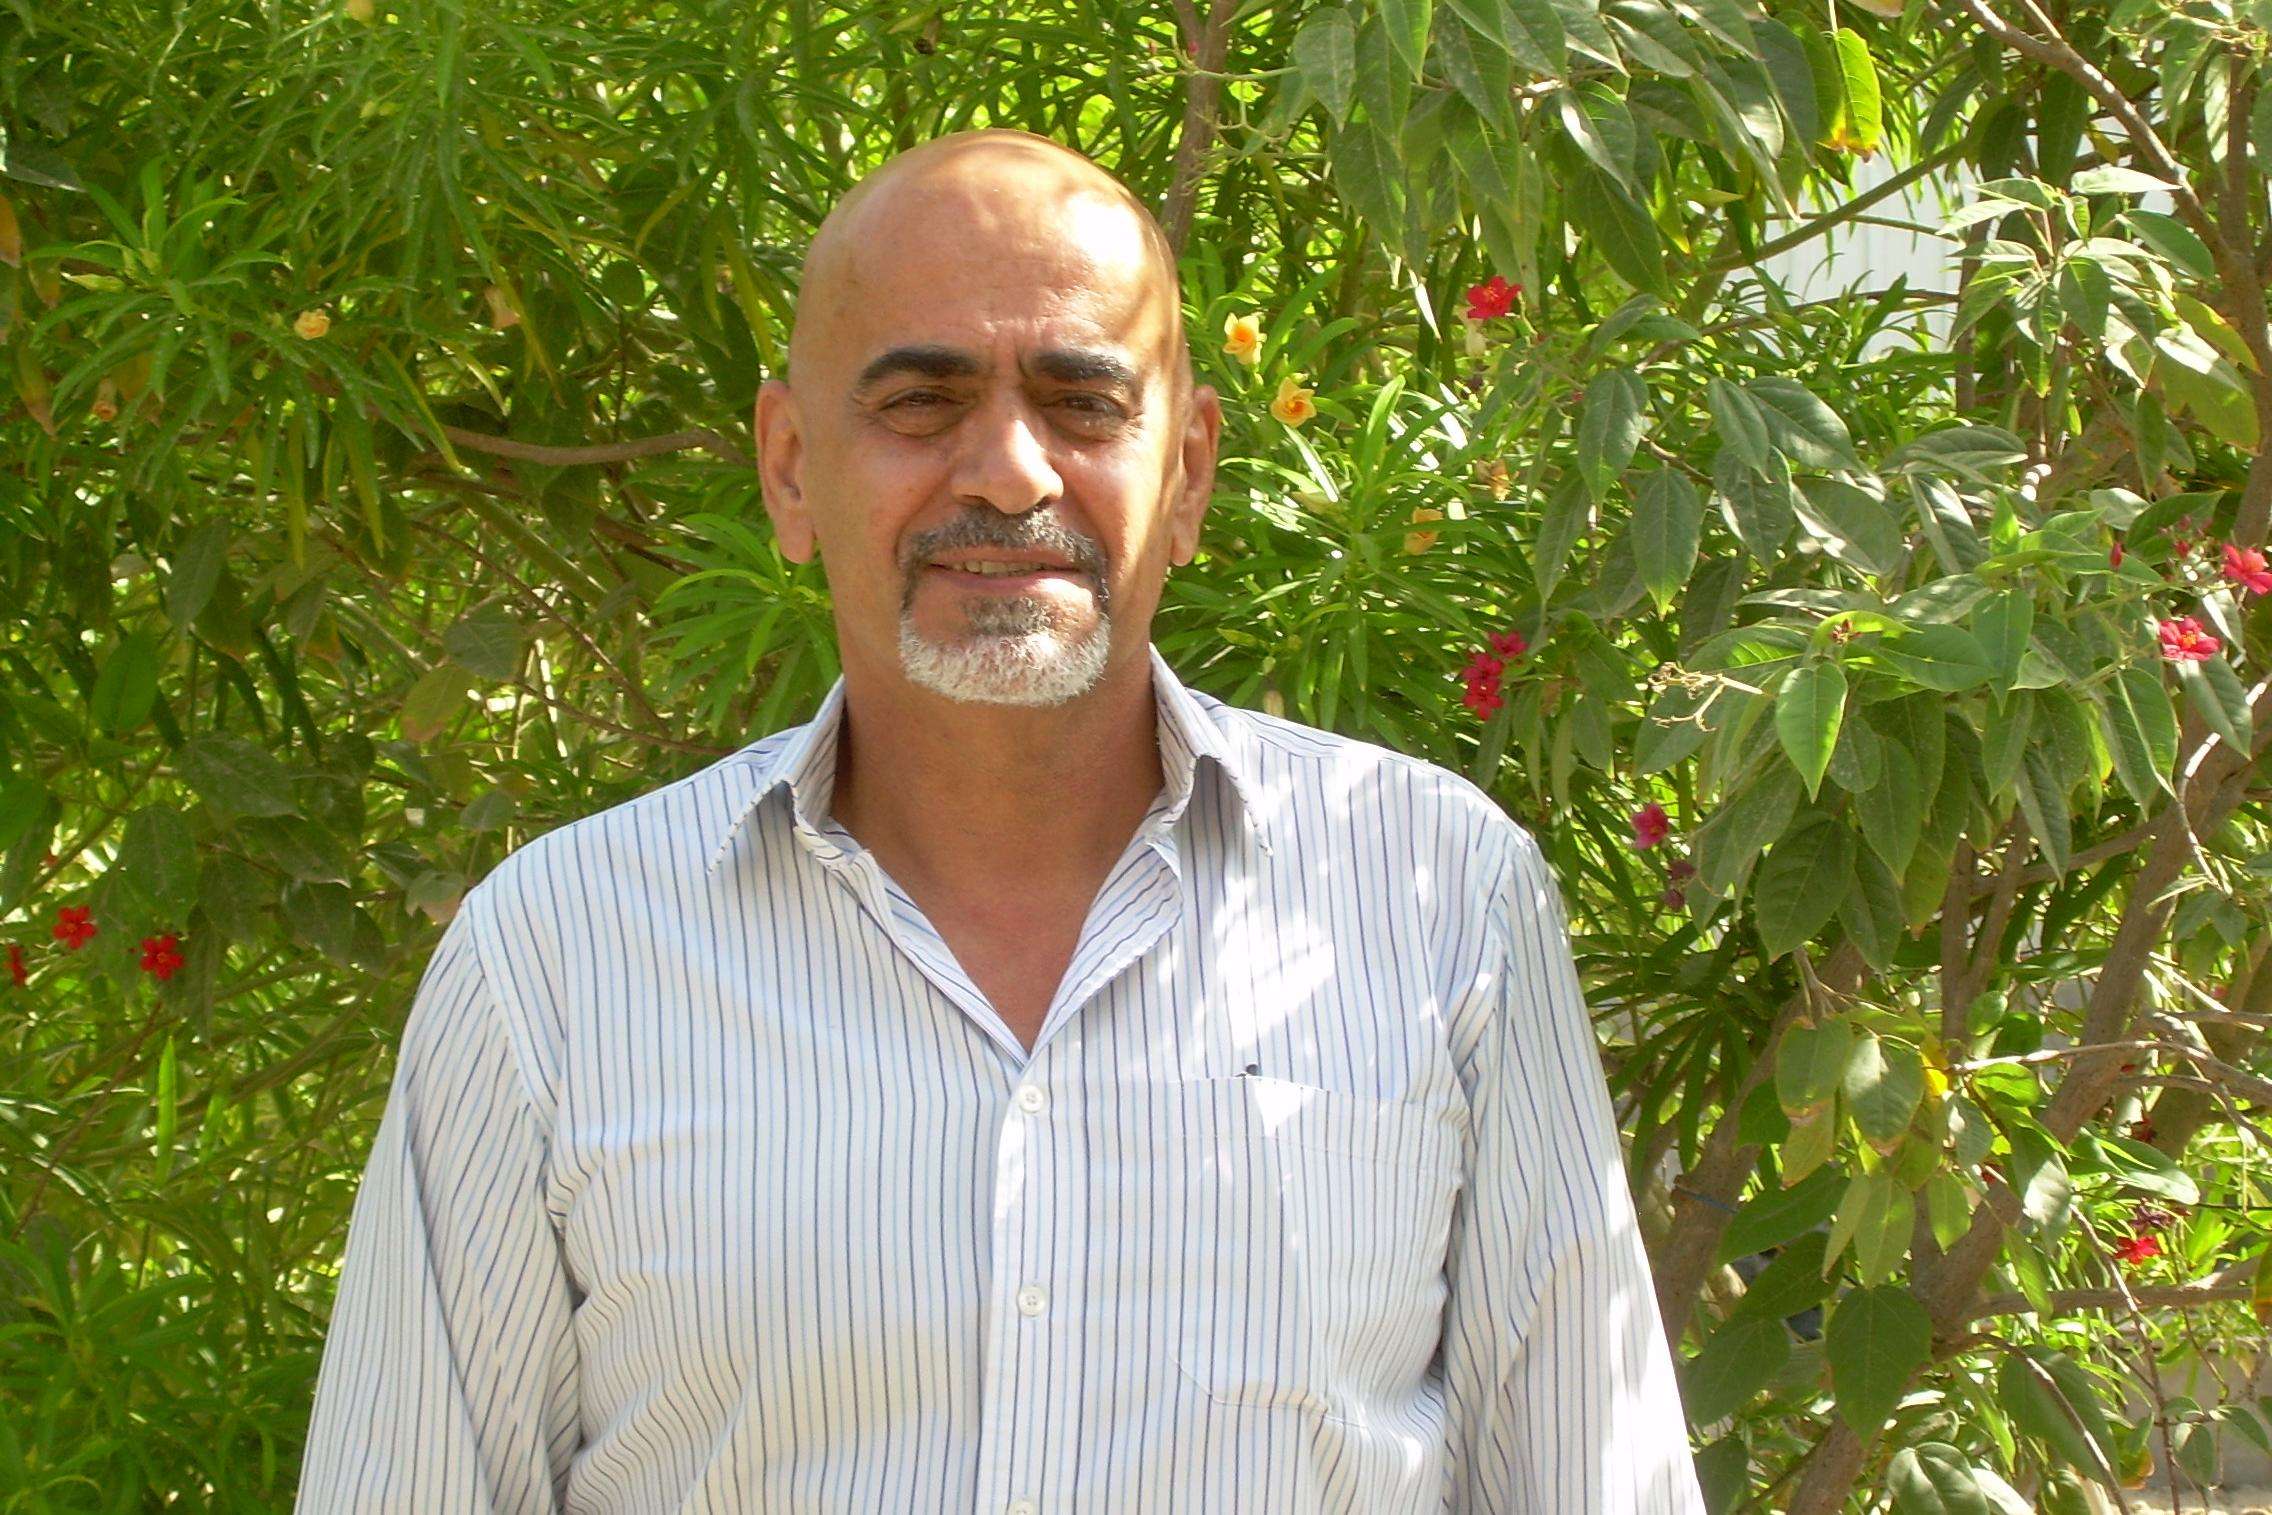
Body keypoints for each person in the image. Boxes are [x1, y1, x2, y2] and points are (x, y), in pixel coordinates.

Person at [296, 128, 1705, 1514]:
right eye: (921, 402)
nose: (1011, 472)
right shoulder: (552, 962)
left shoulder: (1435, 898)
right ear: (790, 467)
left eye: (1085, 402)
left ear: (1193, 473)